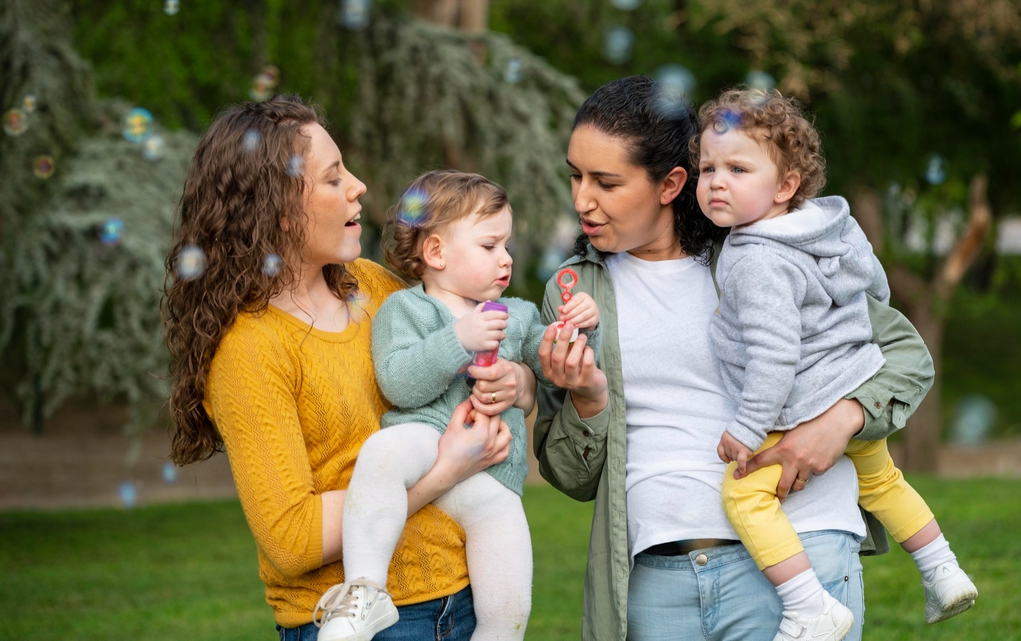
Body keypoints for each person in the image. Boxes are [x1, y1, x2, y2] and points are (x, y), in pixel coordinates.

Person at [533, 76, 936, 641]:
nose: (582, 200)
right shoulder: (575, 294)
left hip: (802, 552)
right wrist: (587, 397)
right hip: (657, 579)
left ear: (671, 183)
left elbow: (905, 356)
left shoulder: (765, 251)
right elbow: (572, 477)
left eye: (606, 181)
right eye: (575, 176)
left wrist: (839, 422)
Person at [163, 96, 524, 641]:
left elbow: (457, 375)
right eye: (334, 179)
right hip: (359, 627)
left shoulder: (374, 286)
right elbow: (292, 539)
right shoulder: (250, 350)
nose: (358, 186)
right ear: (279, 208)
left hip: (463, 600)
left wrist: (512, 383)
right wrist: (445, 472)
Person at [694, 89, 977, 640]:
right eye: (707, 167)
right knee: (883, 481)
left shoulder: (754, 257)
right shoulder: (830, 225)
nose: (716, 181)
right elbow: (876, 287)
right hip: (854, 384)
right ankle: (943, 569)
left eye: (737, 168)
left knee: (742, 495)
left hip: (799, 405)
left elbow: (774, 357)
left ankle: (808, 607)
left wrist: (747, 429)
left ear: (785, 186)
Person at [313, 170, 599, 641]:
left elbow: (552, 370)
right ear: (436, 252)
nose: (505, 259)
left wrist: (575, 329)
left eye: (506, 246)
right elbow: (399, 383)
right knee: (381, 453)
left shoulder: (519, 314)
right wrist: (457, 340)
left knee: (509, 609)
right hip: (426, 440)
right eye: (490, 246)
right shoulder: (404, 311)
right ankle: (363, 593)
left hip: (493, 478)